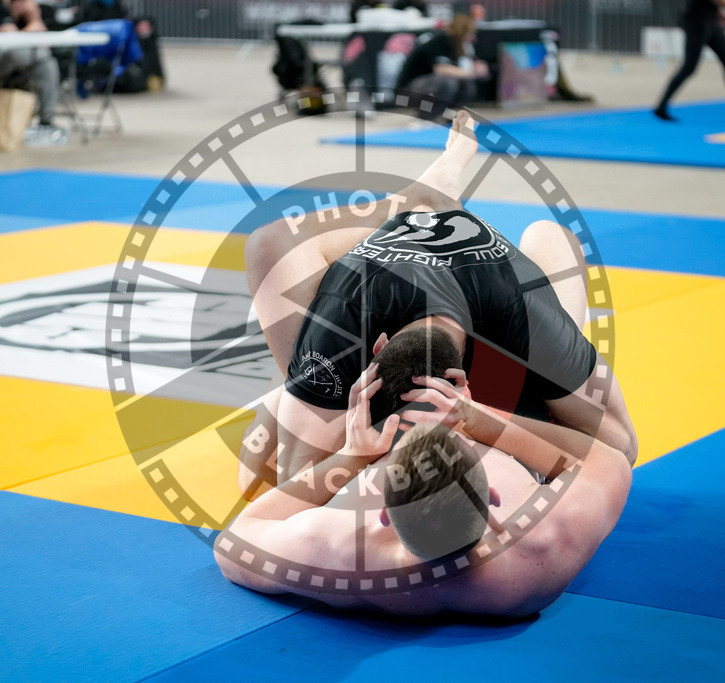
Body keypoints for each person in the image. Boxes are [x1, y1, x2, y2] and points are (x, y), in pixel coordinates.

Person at [238, 112, 636, 498]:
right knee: (267, 245)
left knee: (553, 236)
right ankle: (419, 198)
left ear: (465, 384)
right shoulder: (343, 318)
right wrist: (351, 452)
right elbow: (290, 485)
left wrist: (480, 419)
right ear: (374, 352)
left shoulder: (529, 316)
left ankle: (425, 199)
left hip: (496, 306)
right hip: (393, 281)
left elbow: (622, 449)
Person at [215, 360, 632, 617]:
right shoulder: (546, 542)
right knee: (623, 440)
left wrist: (351, 457)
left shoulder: (342, 553)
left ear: (382, 512)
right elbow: (609, 459)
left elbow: (232, 542)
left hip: (387, 407)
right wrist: (480, 419)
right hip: (492, 407)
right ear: (492, 501)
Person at [653, 0, 725, 122]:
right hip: (697, 22)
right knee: (688, 67)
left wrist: (717, 12)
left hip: (710, 21)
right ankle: (661, 107)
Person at [0, 0, 66, 142]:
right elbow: (12, 40)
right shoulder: (0, 12)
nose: (26, 6)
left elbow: (45, 44)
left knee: (47, 64)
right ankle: (45, 119)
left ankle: (46, 121)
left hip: (14, 67)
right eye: (22, 2)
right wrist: (33, 25)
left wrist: (35, 18)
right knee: (22, 53)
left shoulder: (25, 18)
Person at [395, 5, 489, 120]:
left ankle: (447, 114)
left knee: (466, 85)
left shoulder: (461, 46)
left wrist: (479, 68)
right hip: (406, 93)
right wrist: (471, 73)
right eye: (471, 33)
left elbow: (470, 66)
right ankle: (425, 117)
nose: (473, 38)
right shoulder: (441, 40)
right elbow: (441, 69)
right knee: (448, 82)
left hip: (428, 86)